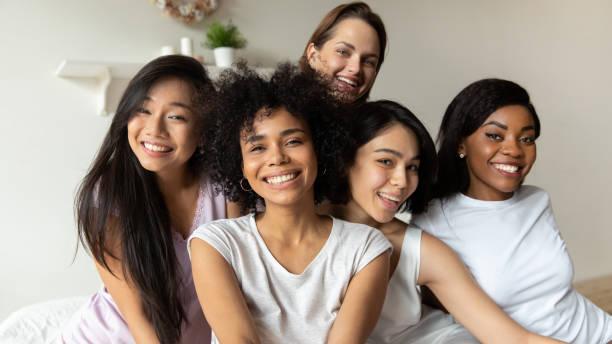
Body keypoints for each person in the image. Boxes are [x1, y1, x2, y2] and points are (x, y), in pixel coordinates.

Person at [328, 100, 565, 344]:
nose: (402, 180)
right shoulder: (307, 227)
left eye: (412, 167)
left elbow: (515, 339)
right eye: (386, 161)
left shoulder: (421, 249)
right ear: (345, 159)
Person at [188, 64, 391, 344]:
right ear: (240, 165)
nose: (277, 158)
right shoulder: (215, 243)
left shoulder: (366, 248)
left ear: (320, 150)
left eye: (293, 141)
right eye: (257, 147)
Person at [412, 78, 612, 343]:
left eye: (526, 138)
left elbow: (555, 301)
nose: (514, 150)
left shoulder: (536, 200)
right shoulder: (432, 222)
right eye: (495, 135)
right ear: (461, 143)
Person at [62, 55, 236, 343]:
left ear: (204, 132)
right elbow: (139, 320)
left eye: (176, 116)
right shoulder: (108, 193)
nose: (155, 129)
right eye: (143, 110)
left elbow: (237, 293)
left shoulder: (224, 187)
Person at [300, 2, 386, 103]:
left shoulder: (382, 118)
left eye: (369, 62)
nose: (356, 69)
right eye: (343, 52)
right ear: (313, 56)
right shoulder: (282, 114)